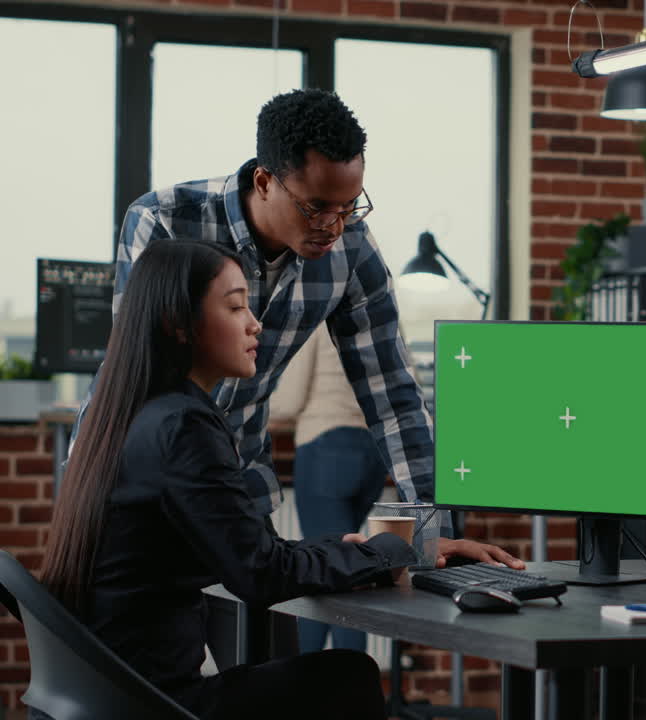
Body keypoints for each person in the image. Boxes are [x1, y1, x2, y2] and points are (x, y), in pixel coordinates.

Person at [75, 88, 520, 568]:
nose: (333, 225)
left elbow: (394, 397)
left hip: (237, 482)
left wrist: (433, 532)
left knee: (269, 636)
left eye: (349, 206)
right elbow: (148, 373)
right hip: (135, 482)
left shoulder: (351, 249)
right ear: (264, 181)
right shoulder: (166, 220)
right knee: (136, 637)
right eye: (316, 207)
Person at [43, 240, 414, 719]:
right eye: (235, 306)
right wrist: (382, 552)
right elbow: (261, 574)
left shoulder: (122, 416)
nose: (255, 323)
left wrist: (355, 553)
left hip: (103, 697)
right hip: (156, 705)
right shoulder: (183, 426)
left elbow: (251, 551)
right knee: (350, 674)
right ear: (178, 324)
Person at [273, 330, 388, 654]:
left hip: (327, 452)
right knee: (338, 577)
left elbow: (290, 401)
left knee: (323, 579)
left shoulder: (317, 319)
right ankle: (331, 689)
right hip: (371, 454)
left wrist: (239, 416)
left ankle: (308, 692)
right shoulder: (376, 319)